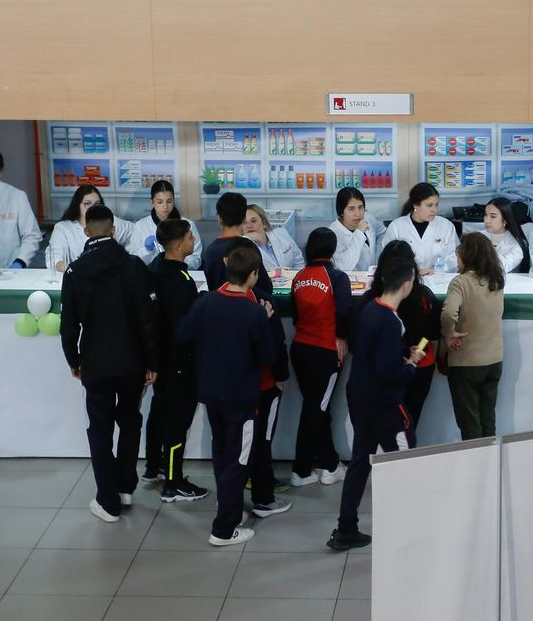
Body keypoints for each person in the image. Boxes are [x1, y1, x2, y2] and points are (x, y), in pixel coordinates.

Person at [176, 241, 281, 547]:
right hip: (242, 397)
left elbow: (182, 334)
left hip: (211, 393)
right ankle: (225, 528)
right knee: (239, 458)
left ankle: (226, 506)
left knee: (222, 452)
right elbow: (269, 353)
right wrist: (266, 316)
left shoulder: (206, 301)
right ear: (253, 275)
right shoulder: (253, 312)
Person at [58, 205, 157, 525]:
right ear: (113, 230)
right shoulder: (133, 266)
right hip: (132, 362)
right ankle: (126, 486)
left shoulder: (74, 271)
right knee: (130, 422)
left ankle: (107, 499)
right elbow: (147, 320)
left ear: (86, 232)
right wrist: (152, 361)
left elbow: (68, 325)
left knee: (99, 428)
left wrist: (74, 360)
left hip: (95, 362)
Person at [333, 253, 423, 552]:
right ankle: (412, 530)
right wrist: (410, 365)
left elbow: (372, 354)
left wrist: (400, 354)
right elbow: (389, 373)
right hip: (385, 404)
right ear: (408, 285)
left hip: (360, 395)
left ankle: (345, 528)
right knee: (405, 462)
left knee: (360, 461)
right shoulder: (389, 319)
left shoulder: (369, 308)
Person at [145, 217, 207, 503]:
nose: (194, 242)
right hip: (179, 361)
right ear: (179, 244)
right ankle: (174, 481)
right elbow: (184, 327)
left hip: (160, 359)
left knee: (160, 413)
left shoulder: (155, 268)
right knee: (177, 421)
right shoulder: (180, 281)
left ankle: (153, 466)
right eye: (190, 238)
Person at [289, 227, 353, 487]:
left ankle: (329, 465)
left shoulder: (299, 276)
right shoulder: (337, 277)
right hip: (326, 351)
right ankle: (301, 470)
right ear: (333, 249)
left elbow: (294, 316)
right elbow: (345, 312)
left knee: (318, 408)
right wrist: (342, 337)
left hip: (300, 348)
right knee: (315, 410)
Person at [370, 242, 441, 447]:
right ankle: (402, 463)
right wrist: (416, 353)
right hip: (418, 363)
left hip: (391, 365)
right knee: (409, 421)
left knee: (393, 424)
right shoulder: (423, 296)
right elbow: (432, 333)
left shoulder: (374, 299)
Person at [442, 231, 506, 440]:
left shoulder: (460, 282)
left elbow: (449, 312)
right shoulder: (496, 281)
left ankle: (476, 469)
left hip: (467, 360)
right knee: (488, 419)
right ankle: (492, 466)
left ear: (466, 255)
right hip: (494, 359)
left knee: (470, 424)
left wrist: (449, 333)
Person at [201, 191, 273, 302]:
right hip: (250, 309)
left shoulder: (211, 251)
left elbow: (212, 285)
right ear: (243, 218)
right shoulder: (248, 247)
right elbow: (265, 286)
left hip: (220, 309)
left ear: (220, 219)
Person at [47, 186, 132, 271]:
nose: (93, 207)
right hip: (78, 278)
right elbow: (54, 258)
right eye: (87, 203)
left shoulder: (110, 221)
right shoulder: (63, 228)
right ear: (77, 205)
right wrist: (72, 270)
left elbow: (135, 232)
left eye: (97, 203)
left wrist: (126, 253)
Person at [381, 182, 459, 275]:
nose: (435, 210)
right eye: (429, 205)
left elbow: (456, 257)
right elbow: (387, 259)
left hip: (439, 280)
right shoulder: (396, 227)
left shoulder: (446, 226)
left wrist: (437, 270)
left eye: (436, 205)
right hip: (407, 281)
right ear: (415, 205)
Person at [126, 180, 202, 267]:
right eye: (160, 202)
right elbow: (134, 261)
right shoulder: (140, 226)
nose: (165, 206)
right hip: (150, 276)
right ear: (152, 202)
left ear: (174, 200)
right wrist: (147, 250)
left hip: (179, 275)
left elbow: (196, 260)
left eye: (169, 201)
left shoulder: (188, 225)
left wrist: (174, 259)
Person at [329, 187, 381, 272]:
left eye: (360, 207)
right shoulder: (333, 234)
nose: (358, 214)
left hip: (372, 278)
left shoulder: (368, 218)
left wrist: (378, 255)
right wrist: (359, 233)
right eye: (351, 209)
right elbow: (344, 266)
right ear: (341, 212)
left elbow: (382, 233)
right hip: (351, 282)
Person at [243, 203, 305, 272]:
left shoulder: (281, 234)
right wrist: (246, 238)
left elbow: (299, 262)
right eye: (244, 222)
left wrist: (294, 278)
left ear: (263, 222)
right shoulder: (241, 246)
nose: (249, 226)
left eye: (253, 221)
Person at [483, 196, 529, 274]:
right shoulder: (479, 236)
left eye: (492, 216)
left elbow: (500, 268)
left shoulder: (517, 245)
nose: (487, 220)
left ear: (505, 220)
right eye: (485, 215)